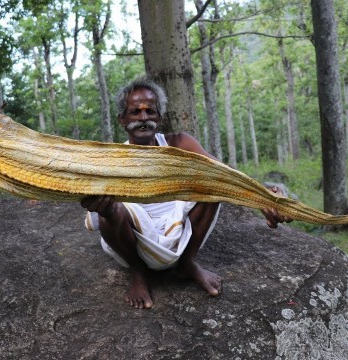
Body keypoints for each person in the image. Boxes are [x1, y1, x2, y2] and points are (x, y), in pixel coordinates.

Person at [81, 75, 291, 309]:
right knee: (109, 209)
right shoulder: (111, 160)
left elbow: (223, 172)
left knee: (213, 182)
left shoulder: (179, 143)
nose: (143, 118)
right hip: (132, 240)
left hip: (179, 231)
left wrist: (263, 196)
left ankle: (186, 264)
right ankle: (138, 273)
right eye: (135, 112)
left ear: (159, 117)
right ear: (122, 119)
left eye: (150, 111)